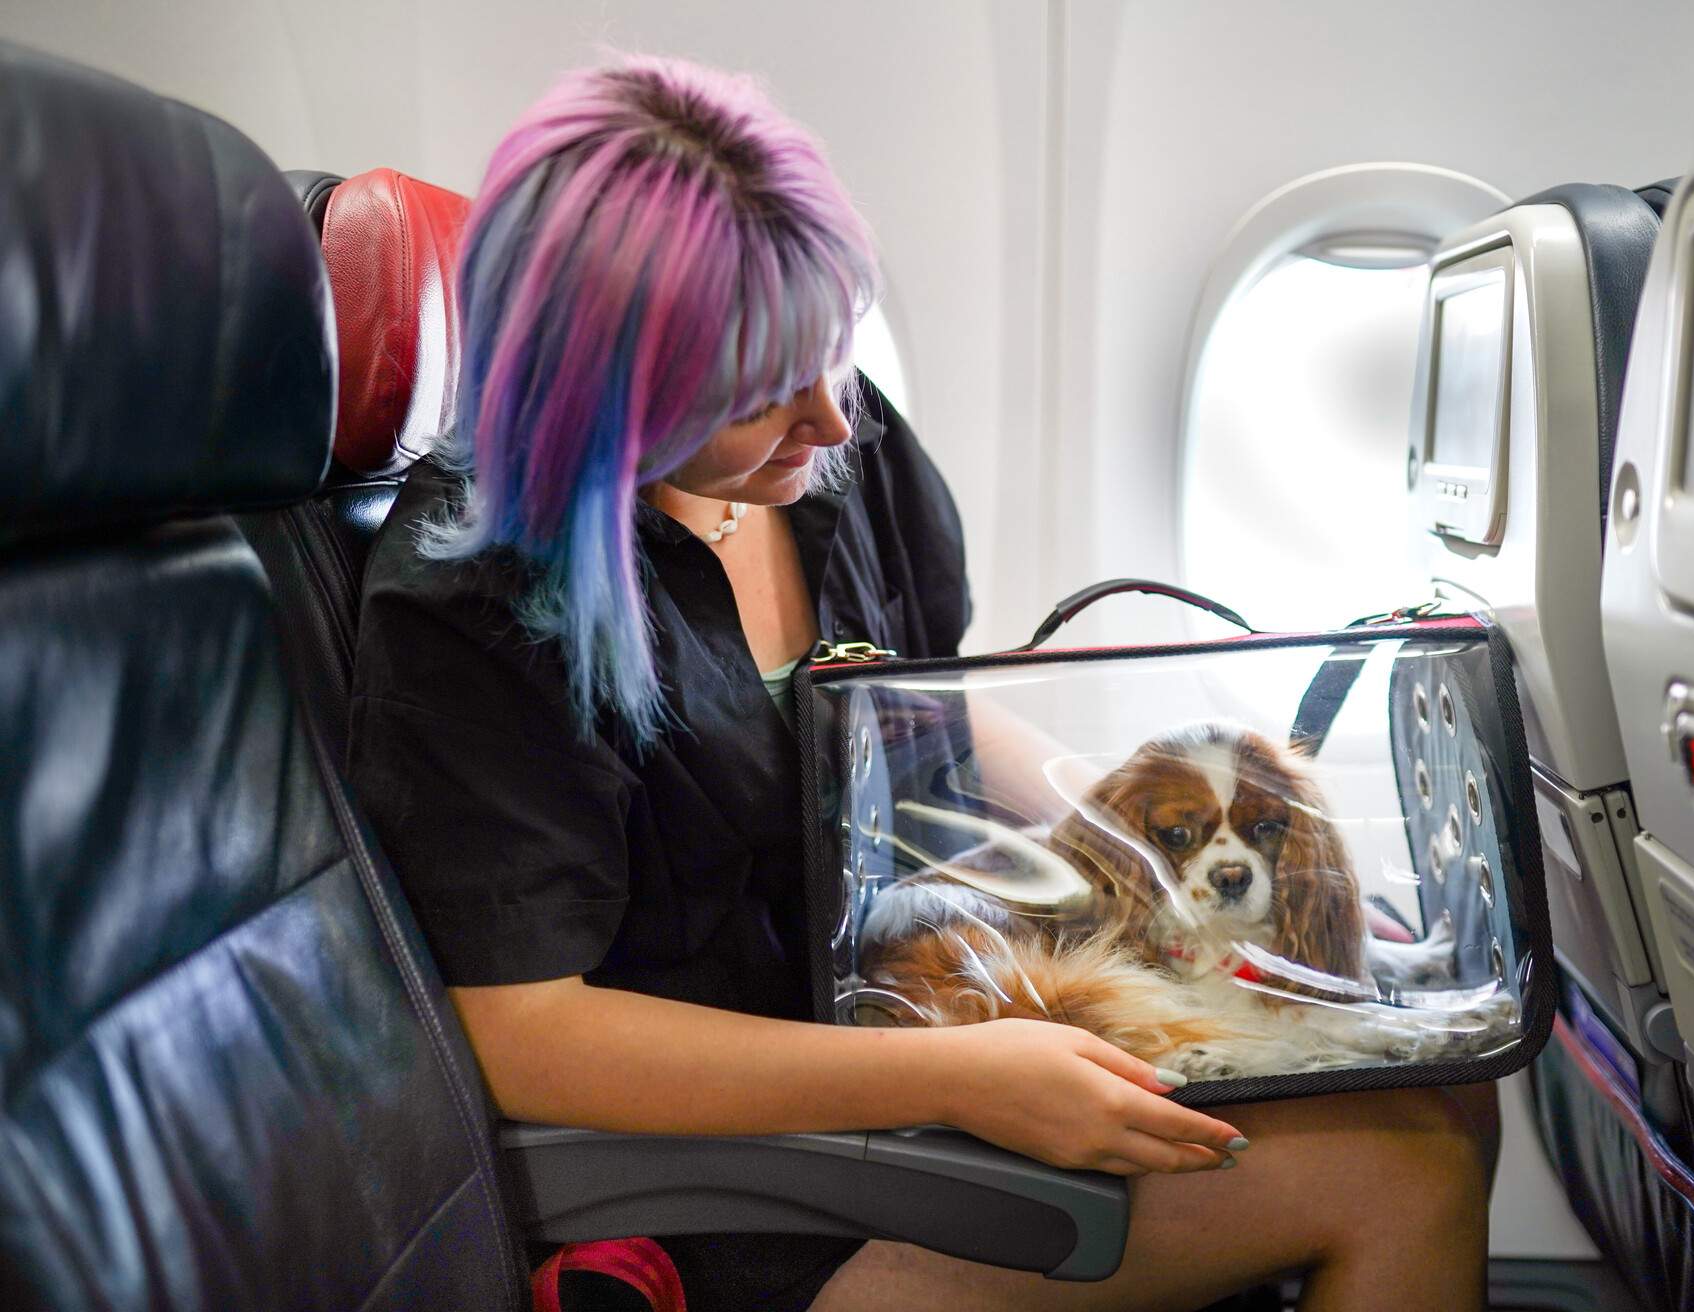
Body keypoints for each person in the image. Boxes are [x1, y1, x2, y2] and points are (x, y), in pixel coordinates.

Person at [346, 52, 1497, 1312]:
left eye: (828, 354)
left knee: (1439, 1063)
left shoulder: (835, 452)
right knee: (1411, 1166)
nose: (831, 421)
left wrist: (1161, 870)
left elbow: (922, 712)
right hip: (740, 1164)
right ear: (609, 402)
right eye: (754, 396)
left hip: (926, 1010)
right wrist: (962, 1081)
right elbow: (527, 1037)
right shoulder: (479, 604)